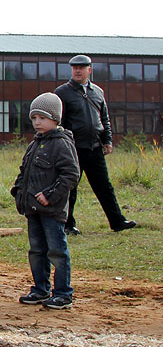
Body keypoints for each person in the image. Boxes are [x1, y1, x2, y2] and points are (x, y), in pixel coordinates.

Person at [11, 93, 79, 310]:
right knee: (37, 251)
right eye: (34, 118)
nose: (37, 122)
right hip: (33, 210)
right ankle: (40, 289)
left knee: (57, 252)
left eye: (42, 118)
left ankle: (63, 294)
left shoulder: (62, 144)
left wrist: (50, 195)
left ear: (55, 119)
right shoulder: (35, 144)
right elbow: (25, 171)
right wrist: (18, 191)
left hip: (52, 211)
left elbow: (71, 175)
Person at [55, 55, 136, 234]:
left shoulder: (98, 92)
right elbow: (59, 122)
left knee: (104, 186)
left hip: (94, 147)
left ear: (89, 70)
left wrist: (107, 140)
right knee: (70, 187)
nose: (77, 71)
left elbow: (104, 118)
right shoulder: (62, 92)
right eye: (74, 68)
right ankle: (67, 225)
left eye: (81, 68)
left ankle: (117, 222)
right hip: (73, 148)